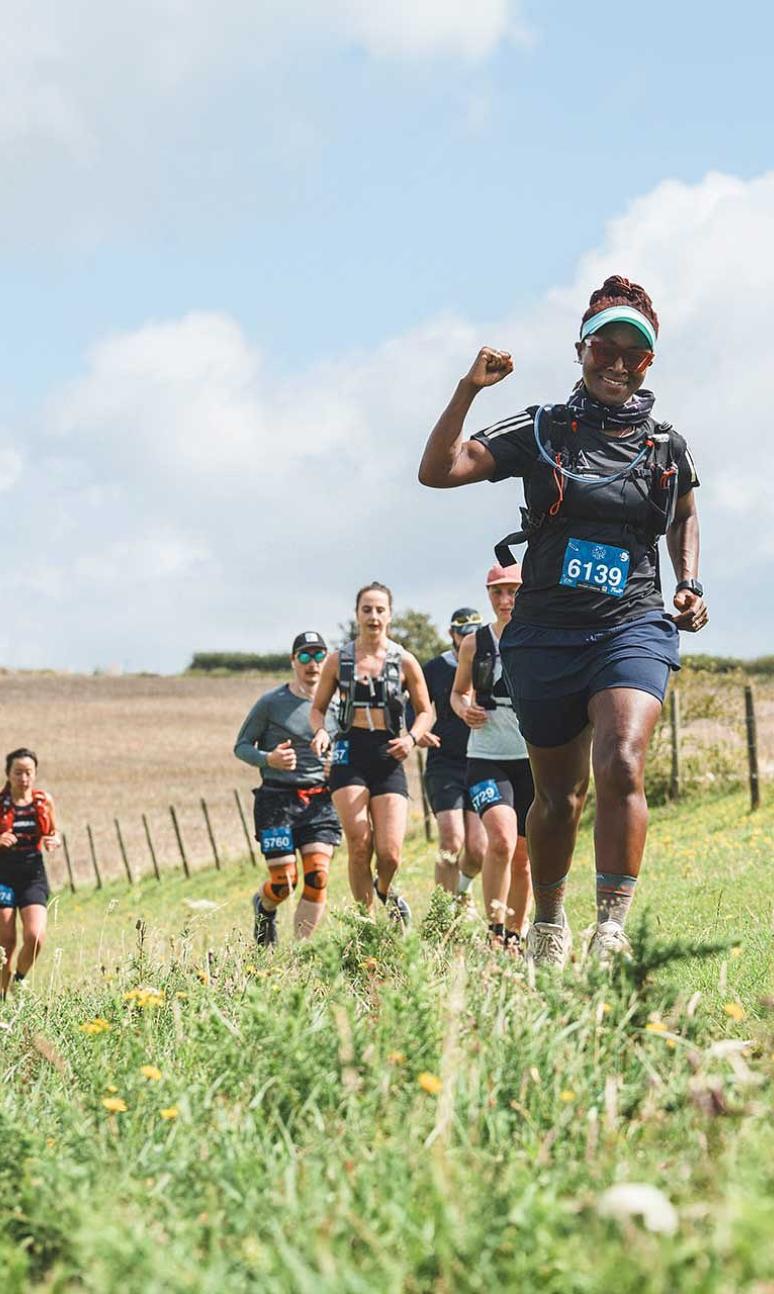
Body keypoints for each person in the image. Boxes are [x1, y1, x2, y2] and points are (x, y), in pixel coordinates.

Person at [419, 275, 707, 967]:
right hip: (545, 633)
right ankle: (548, 921)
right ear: (580, 349)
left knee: (623, 760)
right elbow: (438, 471)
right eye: (603, 348)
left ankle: (611, 928)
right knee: (558, 796)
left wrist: (690, 580)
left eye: (632, 355)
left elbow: (686, 512)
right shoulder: (541, 429)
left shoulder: (666, 446)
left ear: (648, 365)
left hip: (631, 623)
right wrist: (469, 389)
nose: (615, 363)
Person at [309, 582, 433, 927]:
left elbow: (425, 712)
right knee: (359, 843)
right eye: (367, 609)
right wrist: (320, 731)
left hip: (389, 753)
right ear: (357, 615)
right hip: (349, 751)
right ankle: (366, 925)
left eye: (380, 610)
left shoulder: (404, 660)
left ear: (390, 615)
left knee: (390, 853)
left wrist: (411, 739)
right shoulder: (339, 660)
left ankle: (385, 888)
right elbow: (318, 709)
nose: (373, 616)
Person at [234, 631, 341, 947]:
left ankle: (298, 954)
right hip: (277, 801)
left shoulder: (338, 704)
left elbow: (348, 746)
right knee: (284, 883)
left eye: (319, 655)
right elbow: (241, 746)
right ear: (293, 661)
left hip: (321, 801)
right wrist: (269, 759)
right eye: (305, 656)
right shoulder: (271, 703)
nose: (313, 664)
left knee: (317, 877)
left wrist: (339, 766)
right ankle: (264, 907)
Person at [451, 567, 534, 949]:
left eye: (513, 592)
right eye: (497, 593)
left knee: (524, 858)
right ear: (488, 595)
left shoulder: (539, 636)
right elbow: (458, 693)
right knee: (499, 841)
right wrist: (464, 708)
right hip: (486, 756)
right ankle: (494, 931)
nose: (505, 601)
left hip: (533, 759)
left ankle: (515, 939)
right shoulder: (474, 643)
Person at [416, 608, 487, 897]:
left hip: (484, 761)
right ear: (451, 634)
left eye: (475, 631)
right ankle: (442, 916)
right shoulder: (434, 668)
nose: (469, 637)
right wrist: (416, 731)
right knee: (450, 839)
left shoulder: (491, 661)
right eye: (463, 632)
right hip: (444, 762)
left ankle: (461, 892)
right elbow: (415, 704)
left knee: (478, 851)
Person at [0, 748, 60, 995]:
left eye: (28, 773)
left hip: (32, 874)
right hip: (2, 875)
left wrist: (54, 840)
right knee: (5, 942)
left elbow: (53, 832)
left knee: (35, 936)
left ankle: (19, 980)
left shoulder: (43, 801)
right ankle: (2, 995)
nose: (23, 779)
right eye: (18, 773)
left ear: (34, 774)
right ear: (8, 774)